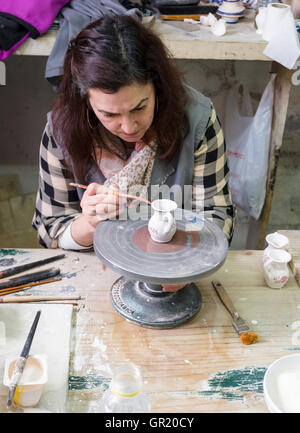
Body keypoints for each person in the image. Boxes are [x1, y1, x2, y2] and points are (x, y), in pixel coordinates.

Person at [32, 15, 235, 291]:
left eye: (140, 107)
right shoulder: (62, 131)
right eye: (109, 114)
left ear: (158, 88)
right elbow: (50, 231)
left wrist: (188, 267)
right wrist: (88, 224)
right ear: (86, 101)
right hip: (92, 278)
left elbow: (216, 215)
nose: (128, 127)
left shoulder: (197, 120)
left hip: (177, 267)